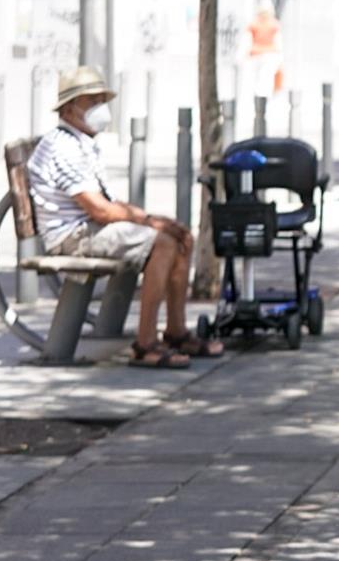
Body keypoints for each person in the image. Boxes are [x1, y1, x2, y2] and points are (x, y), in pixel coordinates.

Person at [25, 66, 222, 369]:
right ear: (68, 108)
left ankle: (176, 331)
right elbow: (99, 209)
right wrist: (151, 222)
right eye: (91, 101)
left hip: (88, 228)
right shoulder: (63, 146)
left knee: (180, 238)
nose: (100, 108)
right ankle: (145, 343)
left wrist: (151, 219)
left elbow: (107, 205)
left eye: (102, 100)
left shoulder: (82, 143)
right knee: (163, 243)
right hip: (73, 236)